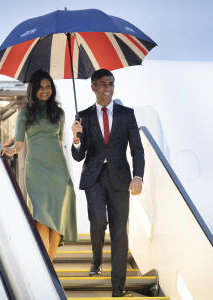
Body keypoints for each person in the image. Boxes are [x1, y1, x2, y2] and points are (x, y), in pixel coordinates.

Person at [71, 69, 144, 297]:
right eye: (102, 84)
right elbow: (78, 155)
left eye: (111, 83)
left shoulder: (126, 114)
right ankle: (96, 260)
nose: (108, 88)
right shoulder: (83, 115)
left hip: (120, 178)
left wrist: (138, 176)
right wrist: (75, 139)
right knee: (98, 220)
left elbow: (137, 149)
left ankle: (117, 289)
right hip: (94, 177)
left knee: (120, 232)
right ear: (93, 87)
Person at [1, 69, 77, 262]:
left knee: (57, 223)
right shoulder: (25, 113)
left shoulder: (59, 113)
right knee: (41, 219)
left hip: (58, 170)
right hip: (36, 170)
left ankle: (48, 267)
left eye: (48, 86)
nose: (45, 90)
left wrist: (76, 134)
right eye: (41, 87)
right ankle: (47, 268)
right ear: (33, 89)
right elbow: (18, 145)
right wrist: (7, 150)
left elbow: (60, 143)